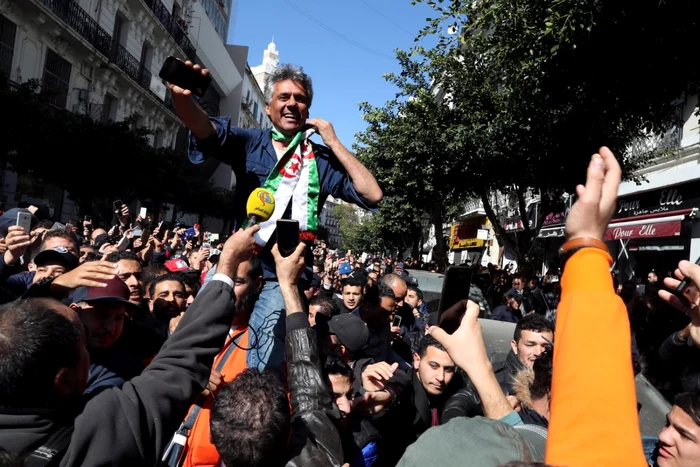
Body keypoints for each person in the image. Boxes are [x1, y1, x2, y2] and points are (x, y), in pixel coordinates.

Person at [167, 60, 383, 373]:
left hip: (285, 275)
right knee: (192, 333)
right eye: (283, 97)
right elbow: (205, 130)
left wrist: (333, 141)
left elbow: (372, 194)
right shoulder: (249, 142)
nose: (292, 103)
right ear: (268, 108)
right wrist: (182, 98)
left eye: (300, 98)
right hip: (240, 263)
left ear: (308, 110)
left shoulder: (321, 160)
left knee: (263, 360)